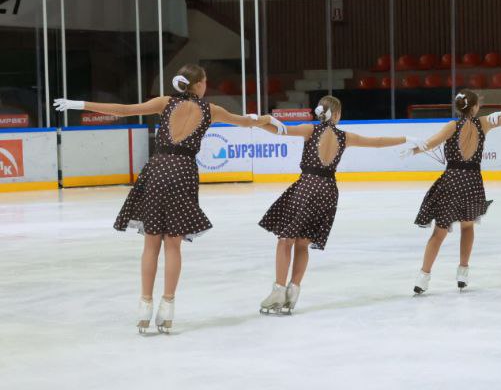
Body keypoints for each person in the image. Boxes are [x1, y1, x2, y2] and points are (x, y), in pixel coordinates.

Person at [54, 64, 268, 334]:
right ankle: (167, 309)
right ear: (199, 84)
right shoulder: (211, 110)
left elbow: (123, 109)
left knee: (151, 244)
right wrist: (267, 120)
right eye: (205, 82)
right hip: (183, 173)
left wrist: (78, 103)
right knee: (173, 246)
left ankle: (145, 306)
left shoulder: (164, 103)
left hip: (157, 170)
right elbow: (247, 122)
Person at [255, 96, 411, 315]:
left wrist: (259, 121)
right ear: (337, 115)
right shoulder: (345, 136)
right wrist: (406, 138)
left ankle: (279, 290)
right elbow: (377, 142)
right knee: (302, 243)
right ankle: (294, 291)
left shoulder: (310, 130)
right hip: (328, 191)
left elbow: (280, 131)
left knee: (285, 240)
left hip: (307, 186)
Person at [410, 90, 501, 294]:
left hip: (451, 181)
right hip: (471, 182)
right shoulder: (484, 123)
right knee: (467, 227)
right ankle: (463, 273)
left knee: (439, 232)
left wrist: (414, 150)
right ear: (476, 107)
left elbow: (431, 142)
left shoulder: (453, 125)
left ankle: (423, 277)